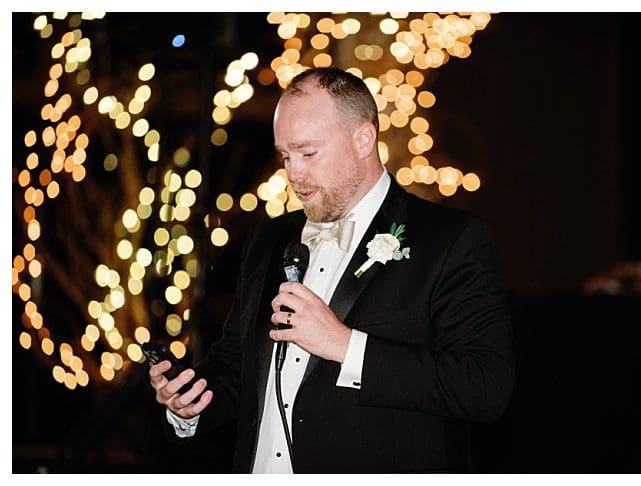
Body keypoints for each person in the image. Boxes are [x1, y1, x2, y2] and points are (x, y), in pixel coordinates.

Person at [147, 67, 514, 472]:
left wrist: (343, 344)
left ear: (363, 138)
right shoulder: (268, 239)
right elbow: (238, 362)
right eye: (285, 155)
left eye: (308, 153)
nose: (293, 174)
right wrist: (190, 404)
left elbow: (485, 386)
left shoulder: (449, 239)